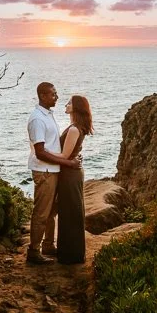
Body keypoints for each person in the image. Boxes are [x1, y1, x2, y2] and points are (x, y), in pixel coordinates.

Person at [26, 82, 81, 265]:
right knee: (42, 212)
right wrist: (68, 162)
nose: (56, 97)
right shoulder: (37, 119)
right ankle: (33, 252)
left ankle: (48, 246)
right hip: (45, 171)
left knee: (50, 212)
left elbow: (53, 145)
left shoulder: (48, 115)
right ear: (43, 95)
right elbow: (40, 152)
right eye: (53, 94)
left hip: (54, 170)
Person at [55, 95, 93, 264]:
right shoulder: (76, 127)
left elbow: (64, 155)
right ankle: (72, 253)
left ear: (76, 107)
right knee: (71, 212)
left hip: (69, 174)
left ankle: (71, 255)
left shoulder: (74, 129)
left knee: (70, 213)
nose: (66, 104)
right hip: (71, 172)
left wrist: (39, 153)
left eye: (69, 102)